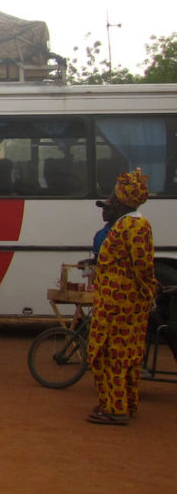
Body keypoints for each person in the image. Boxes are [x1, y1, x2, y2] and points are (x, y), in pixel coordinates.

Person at [86, 169, 156, 426]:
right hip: (122, 303)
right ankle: (125, 403)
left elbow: (143, 267)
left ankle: (115, 409)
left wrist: (148, 290)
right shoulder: (131, 225)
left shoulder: (132, 225)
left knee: (110, 356)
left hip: (120, 305)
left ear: (124, 199)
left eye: (115, 196)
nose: (111, 201)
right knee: (125, 355)